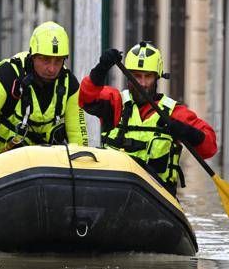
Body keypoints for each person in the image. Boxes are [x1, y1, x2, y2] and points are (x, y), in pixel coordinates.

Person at [78, 42, 218, 196]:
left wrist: (185, 131)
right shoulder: (115, 102)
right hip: (114, 191)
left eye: (148, 76)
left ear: (157, 77)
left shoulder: (173, 113)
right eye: (137, 76)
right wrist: (100, 70)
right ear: (128, 77)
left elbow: (210, 147)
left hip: (156, 196)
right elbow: (85, 98)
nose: (142, 83)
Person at [0, 21, 88, 156]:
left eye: (58, 61)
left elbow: (78, 134)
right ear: (33, 57)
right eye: (46, 60)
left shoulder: (70, 85)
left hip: (36, 160)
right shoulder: (7, 75)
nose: (52, 68)